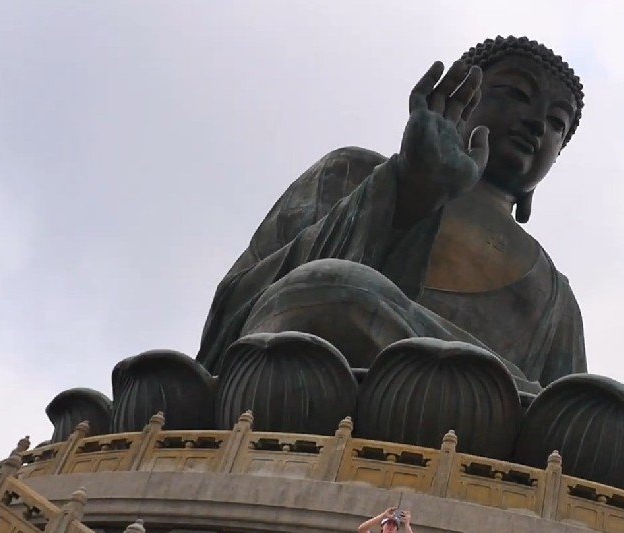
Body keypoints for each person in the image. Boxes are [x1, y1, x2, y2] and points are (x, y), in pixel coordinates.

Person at [197, 36, 587, 391]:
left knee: (605, 411)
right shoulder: (351, 172)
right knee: (331, 288)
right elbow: (236, 312)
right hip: (302, 386)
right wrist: (410, 193)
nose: (537, 124)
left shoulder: (553, 294)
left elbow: (565, 415)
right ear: (458, 102)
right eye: (517, 94)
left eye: (557, 122)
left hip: (472, 422)